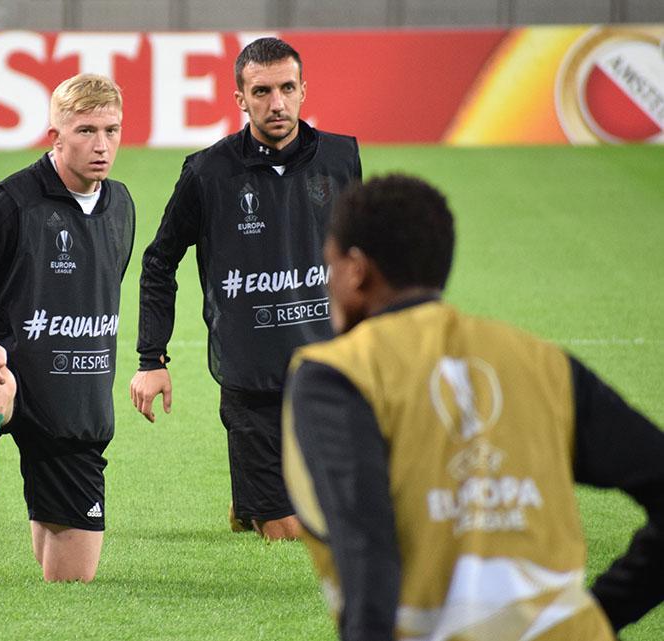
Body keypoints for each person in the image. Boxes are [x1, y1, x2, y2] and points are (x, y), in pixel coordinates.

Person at [281, 173, 664, 640]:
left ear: (356, 270)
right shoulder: (541, 361)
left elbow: (368, 556)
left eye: (330, 265)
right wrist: (601, 614)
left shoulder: (337, 374)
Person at [129, 37, 361, 540]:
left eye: (287, 88)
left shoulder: (342, 159)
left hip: (324, 367)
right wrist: (152, 359)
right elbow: (159, 261)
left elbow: (359, 255)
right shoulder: (208, 172)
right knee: (289, 532)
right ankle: (259, 501)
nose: (277, 103)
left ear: (303, 91)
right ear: (240, 99)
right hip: (250, 374)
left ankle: (249, 499)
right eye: (261, 91)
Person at [0, 73, 134, 594]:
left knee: (71, 575)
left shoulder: (121, 204)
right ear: (55, 135)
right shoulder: (10, 203)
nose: (101, 145)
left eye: (111, 130)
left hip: (72, 388)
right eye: (85, 131)